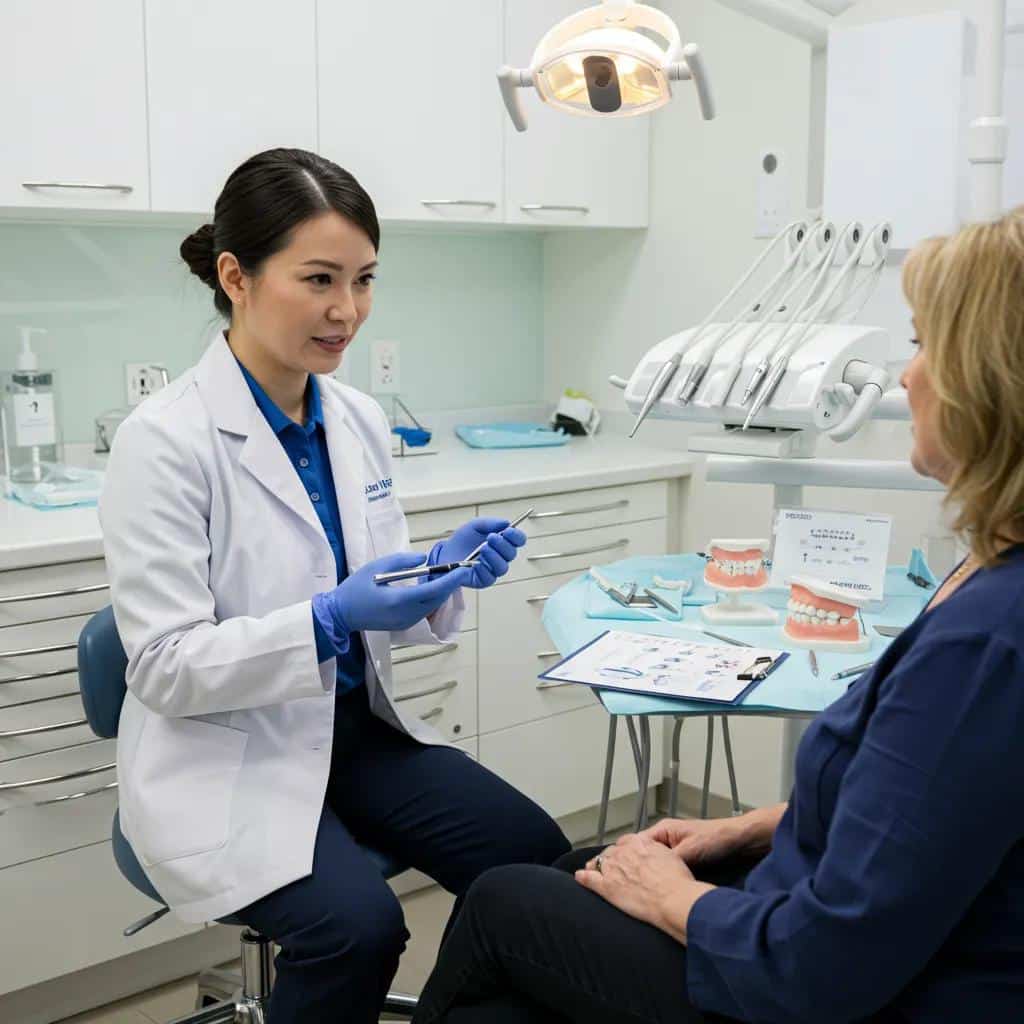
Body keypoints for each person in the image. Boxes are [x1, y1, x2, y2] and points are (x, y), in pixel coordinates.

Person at [412, 207, 1024, 1024]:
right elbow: (927, 816)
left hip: (829, 987)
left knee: (501, 900)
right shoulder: (986, 573)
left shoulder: (988, 643)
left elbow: (823, 964)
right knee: (569, 882)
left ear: (990, 380)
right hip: (827, 914)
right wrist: (749, 828)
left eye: (922, 345)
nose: (906, 377)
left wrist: (676, 900)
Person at [100, 148, 569, 1024]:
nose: (346, 311)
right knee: (356, 928)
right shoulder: (163, 441)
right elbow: (163, 666)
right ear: (236, 277)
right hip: (230, 750)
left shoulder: (354, 417)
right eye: (319, 279)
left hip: (355, 733)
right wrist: (323, 620)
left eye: (363, 279)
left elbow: (372, 591)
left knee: (535, 861)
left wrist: (440, 577)